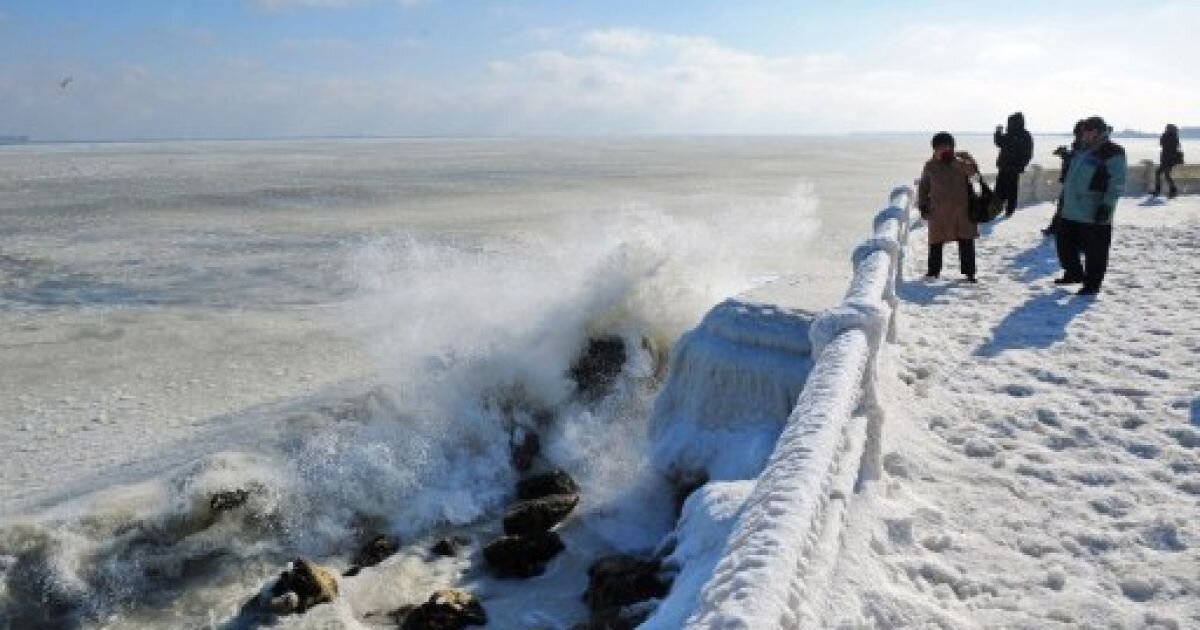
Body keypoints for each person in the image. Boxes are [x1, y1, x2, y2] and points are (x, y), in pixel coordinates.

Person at [1054, 116, 1126, 296]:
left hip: (1093, 211)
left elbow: (1116, 183)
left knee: (1096, 252)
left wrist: (1107, 207)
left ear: (1095, 132)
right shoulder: (1081, 149)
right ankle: (1073, 273)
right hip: (1070, 209)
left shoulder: (1113, 152)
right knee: (1064, 244)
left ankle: (1092, 284)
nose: (1082, 135)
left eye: (1085, 132)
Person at [918, 131, 980, 282]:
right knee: (935, 243)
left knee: (966, 241)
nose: (944, 149)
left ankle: (969, 273)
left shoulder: (963, 158)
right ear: (934, 149)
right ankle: (933, 272)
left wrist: (955, 161)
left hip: (962, 210)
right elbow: (923, 188)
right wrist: (923, 206)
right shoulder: (930, 165)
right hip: (939, 212)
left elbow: (975, 176)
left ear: (953, 146)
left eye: (947, 146)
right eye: (940, 147)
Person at [1042, 119, 1086, 236]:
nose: (1076, 134)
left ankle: (1060, 230)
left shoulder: (1085, 146)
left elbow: (1078, 162)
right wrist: (1064, 154)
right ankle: (1054, 228)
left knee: (1068, 207)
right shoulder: (1080, 144)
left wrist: (1065, 154)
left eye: (1078, 132)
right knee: (1063, 206)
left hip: (1077, 181)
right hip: (1071, 180)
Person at [993, 112, 1034, 217]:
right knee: (1000, 189)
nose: (1009, 124)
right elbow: (1000, 142)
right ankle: (998, 208)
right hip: (1004, 166)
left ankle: (1008, 210)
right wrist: (998, 132)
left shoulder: (1024, 135)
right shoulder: (1012, 134)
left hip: (1013, 168)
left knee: (1010, 190)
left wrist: (1021, 165)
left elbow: (1028, 153)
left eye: (1010, 121)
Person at [1152, 124, 1183, 199]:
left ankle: (1170, 190)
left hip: (1167, 159)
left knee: (1162, 174)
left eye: (1167, 128)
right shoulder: (1175, 137)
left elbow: (1162, 144)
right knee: (1163, 174)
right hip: (1169, 159)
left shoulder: (1168, 136)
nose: (1166, 129)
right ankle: (1169, 190)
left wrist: (1164, 135)